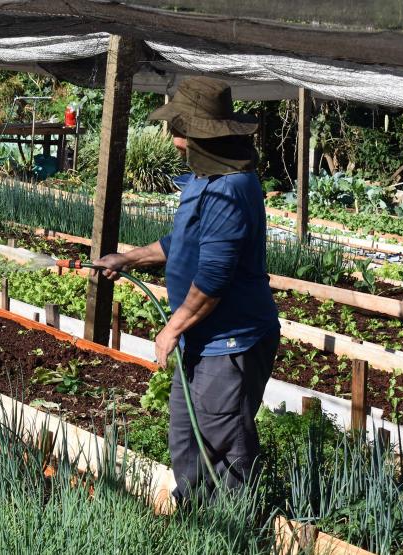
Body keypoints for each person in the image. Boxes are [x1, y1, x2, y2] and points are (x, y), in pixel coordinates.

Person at [92, 77, 280, 501]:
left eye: (180, 130)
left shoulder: (231, 189)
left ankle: (233, 522)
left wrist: (170, 329)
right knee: (186, 435)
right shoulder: (203, 177)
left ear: (199, 137)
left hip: (229, 341)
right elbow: (182, 242)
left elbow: (213, 279)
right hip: (202, 337)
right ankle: (193, 518)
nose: (175, 140)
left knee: (221, 442)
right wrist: (127, 259)